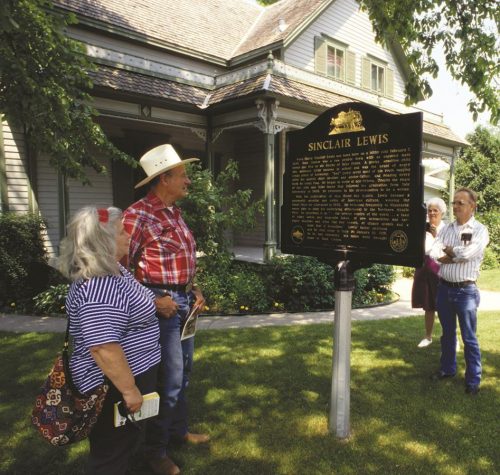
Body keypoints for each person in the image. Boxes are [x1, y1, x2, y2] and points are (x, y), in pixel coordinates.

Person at [123, 144, 208, 475]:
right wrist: (153, 300)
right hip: (162, 308)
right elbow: (117, 270)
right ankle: (155, 451)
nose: (188, 180)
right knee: (168, 380)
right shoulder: (137, 216)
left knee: (184, 374)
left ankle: (178, 432)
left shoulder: (174, 213)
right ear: (164, 178)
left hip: (184, 304)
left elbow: (179, 262)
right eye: (183, 175)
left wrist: (194, 289)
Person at [58, 206, 162, 475]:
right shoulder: (100, 286)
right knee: (111, 452)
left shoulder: (113, 270)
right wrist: (129, 390)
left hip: (124, 377)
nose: (129, 235)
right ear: (103, 240)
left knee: (121, 445)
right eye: (121, 231)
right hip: (112, 385)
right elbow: (103, 346)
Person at [429, 188, 489, 395]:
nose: (455, 207)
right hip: (444, 288)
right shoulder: (447, 229)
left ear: (472, 206)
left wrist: (449, 251)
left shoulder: (480, 230)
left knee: (469, 337)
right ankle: (447, 369)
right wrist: (452, 253)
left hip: (466, 292)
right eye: (454, 203)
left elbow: (469, 253)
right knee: (447, 335)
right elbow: (434, 251)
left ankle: (473, 381)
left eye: (460, 203)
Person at [412, 198, 446, 348]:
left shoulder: (447, 229)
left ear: (441, 213)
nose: (432, 213)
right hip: (423, 267)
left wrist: (436, 234)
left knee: (445, 306)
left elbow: (448, 249)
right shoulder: (423, 228)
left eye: (435, 210)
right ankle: (428, 336)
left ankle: (451, 337)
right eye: (429, 210)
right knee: (428, 304)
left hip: (440, 268)